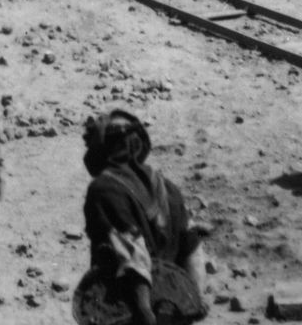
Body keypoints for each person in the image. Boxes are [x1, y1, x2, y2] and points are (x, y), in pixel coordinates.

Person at [76, 110, 207, 325]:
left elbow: (133, 254)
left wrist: (144, 311)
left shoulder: (103, 189)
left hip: (131, 310)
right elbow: (193, 251)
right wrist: (194, 303)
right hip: (172, 309)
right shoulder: (168, 188)